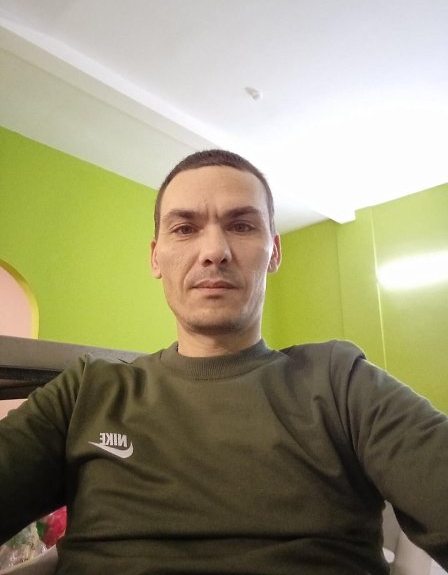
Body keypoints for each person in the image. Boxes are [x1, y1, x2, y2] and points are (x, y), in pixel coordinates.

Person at [0, 149, 447, 574]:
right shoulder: (86, 391)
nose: (214, 250)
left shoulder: (341, 382)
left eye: (241, 225)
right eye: (184, 229)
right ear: (155, 257)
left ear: (274, 252)